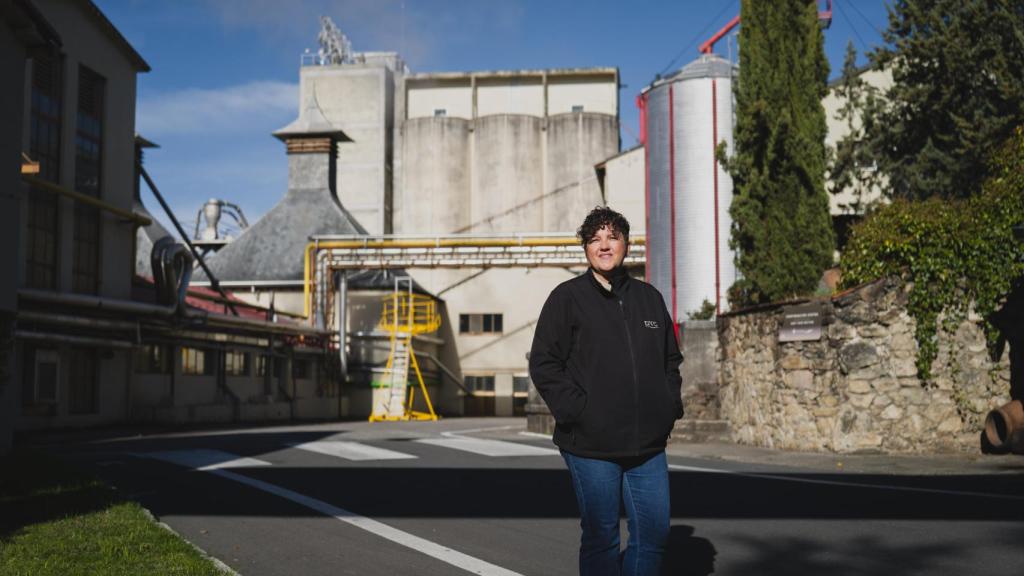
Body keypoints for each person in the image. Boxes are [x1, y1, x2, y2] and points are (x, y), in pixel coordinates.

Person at [529, 206, 684, 576]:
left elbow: (670, 361)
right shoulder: (566, 298)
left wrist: (668, 406)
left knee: (653, 534)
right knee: (602, 537)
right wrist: (578, 413)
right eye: (595, 239)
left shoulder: (650, 298)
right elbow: (544, 363)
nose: (604, 245)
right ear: (585, 248)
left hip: (647, 445)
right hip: (590, 446)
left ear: (626, 245)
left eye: (612, 237)